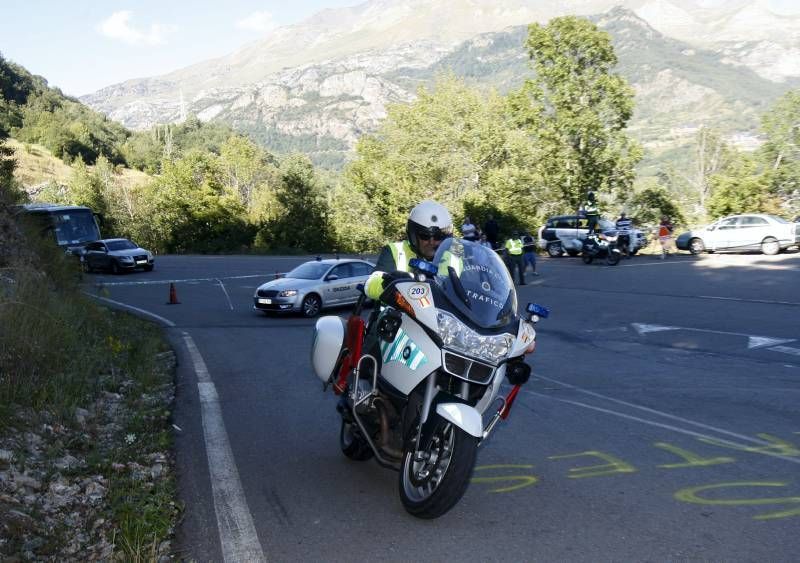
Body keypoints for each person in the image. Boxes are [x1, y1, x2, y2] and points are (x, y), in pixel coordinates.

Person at [366, 200, 454, 299]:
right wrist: (392, 282)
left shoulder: (453, 259)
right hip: (398, 312)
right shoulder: (396, 251)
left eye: (438, 236)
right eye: (425, 236)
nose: (431, 242)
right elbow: (370, 285)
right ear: (414, 236)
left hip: (442, 313)